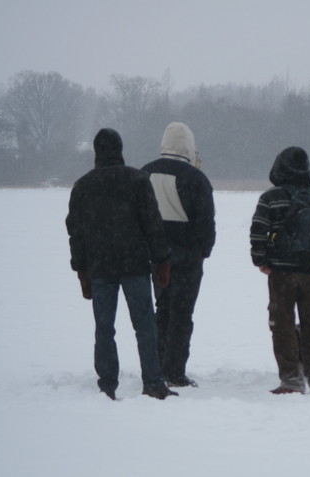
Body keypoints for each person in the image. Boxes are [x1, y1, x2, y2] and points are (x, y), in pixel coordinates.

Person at [66, 128, 177, 400]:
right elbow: (152, 223)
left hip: (100, 267)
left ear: (96, 152)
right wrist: (162, 259)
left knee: (104, 328)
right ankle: (153, 382)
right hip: (135, 264)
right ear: (120, 149)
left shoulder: (83, 186)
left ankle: (107, 385)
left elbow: (76, 231)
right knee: (145, 325)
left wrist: (81, 270)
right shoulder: (137, 180)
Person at [250, 146, 310, 394]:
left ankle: (291, 380)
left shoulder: (270, 198)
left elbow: (258, 230)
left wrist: (260, 260)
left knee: (283, 325)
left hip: (281, 274)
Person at [142, 122, 216, 388]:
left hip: (156, 258)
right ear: (188, 146)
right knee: (182, 315)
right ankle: (175, 371)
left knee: (161, 312)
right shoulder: (195, 179)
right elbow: (206, 222)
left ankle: (158, 365)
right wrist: (202, 251)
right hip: (187, 260)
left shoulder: (145, 173)